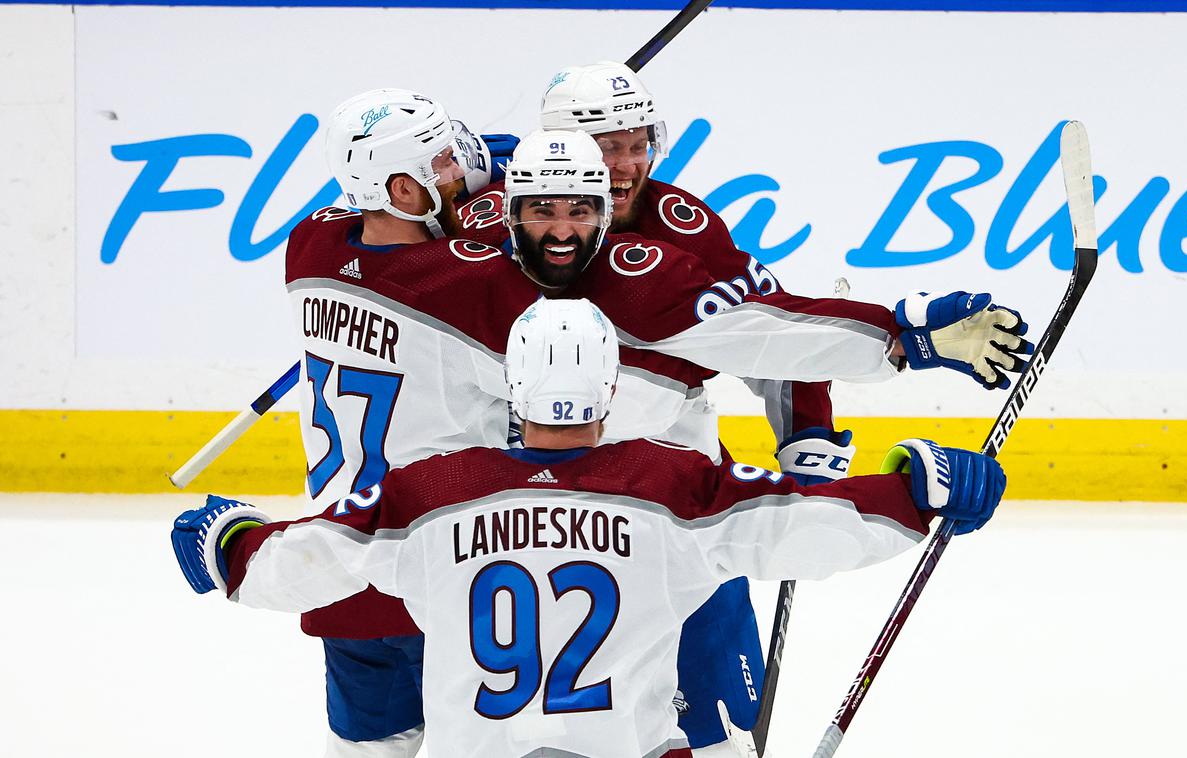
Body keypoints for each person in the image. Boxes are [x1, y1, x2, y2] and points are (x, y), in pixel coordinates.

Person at [172, 298, 1008, 758]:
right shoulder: (673, 484)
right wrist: (924, 488)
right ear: (611, 387)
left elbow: (296, 564)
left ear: (511, 385)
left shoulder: (426, 494)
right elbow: (811, 524)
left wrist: (226, 542)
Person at [483, 125, 1031, 755]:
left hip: (547, 555)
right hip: (635, 536)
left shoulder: (439, 496)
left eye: (580, 208)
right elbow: (778, 523)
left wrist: (897, 341)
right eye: (542, 208)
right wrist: (916, 491)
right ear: (508, 207)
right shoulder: (674, 496)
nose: (560, 229)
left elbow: (766, 332)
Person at [284, 88, 539, 757]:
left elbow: (370, 230)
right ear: (401, 187)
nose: (458, 171)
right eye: (443, 161)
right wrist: (504, 166)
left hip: (341, 571)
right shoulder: (472, 282)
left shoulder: (308, 249)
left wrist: (458, 176)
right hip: (453, 579)